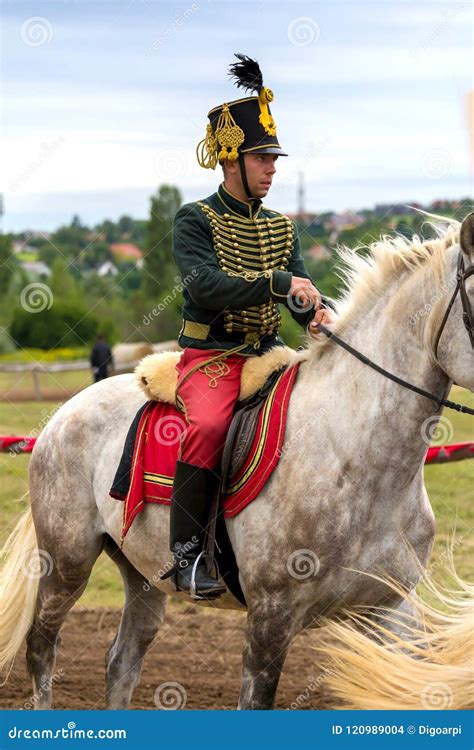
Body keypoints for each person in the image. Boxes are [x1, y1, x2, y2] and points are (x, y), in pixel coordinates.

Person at [162, 54, 335, 600]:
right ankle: (187, 556)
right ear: (230, 160)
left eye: (274, 159)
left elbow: (300, 290)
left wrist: (316, 313)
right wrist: (276, 284)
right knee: (209, 428)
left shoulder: (282, 227)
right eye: (263, 158)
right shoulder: (195, 219)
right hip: (211, 358)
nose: (273, 168)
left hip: (269, 353)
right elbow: (203, 287)